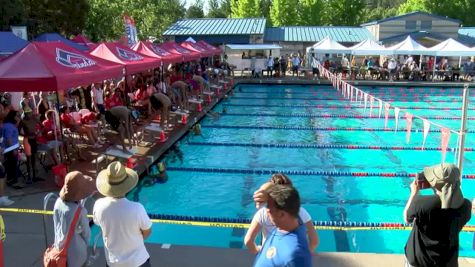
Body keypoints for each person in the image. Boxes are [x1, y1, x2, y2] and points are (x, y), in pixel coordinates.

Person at [404, 163, 471, 267]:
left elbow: (407, 218)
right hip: (448, 263)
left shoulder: (423, 204)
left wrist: (414, 193)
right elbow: (447, 206)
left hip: (420, 263)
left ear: (437, 183)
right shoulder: (466, 206)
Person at [93, 162, 152, 267]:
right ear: (127, 185)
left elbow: (99, 224)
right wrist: (133, 240)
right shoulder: (137, 208)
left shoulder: (98, 205)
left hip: (113, 262)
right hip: (137, 261)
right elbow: (147, 231)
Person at [245, 174, 319, 254]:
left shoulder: (263, 213)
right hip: (292, 255)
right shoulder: (300, 212)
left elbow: (248, 241)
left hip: (269, 254)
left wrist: (258, 251)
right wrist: (306, 253)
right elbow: (314, 241)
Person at [253, 184, 312, 267]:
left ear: (281, 214)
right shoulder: (287, 224)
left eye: (268, 207)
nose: (266, 211)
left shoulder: (295, 255)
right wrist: (263, 192)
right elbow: (282, 187)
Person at [53, 171, 96, 267]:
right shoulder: (80, 211)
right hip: (76, 254)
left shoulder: (58, 202)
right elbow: (86, 234)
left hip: (59, 248)